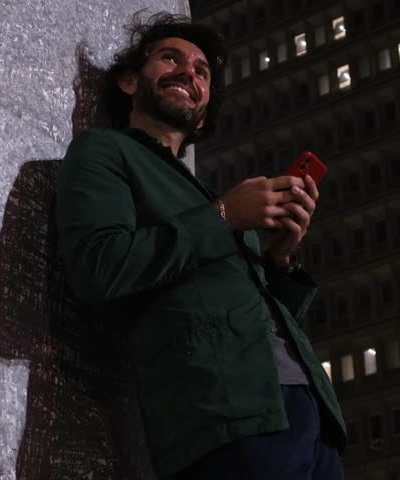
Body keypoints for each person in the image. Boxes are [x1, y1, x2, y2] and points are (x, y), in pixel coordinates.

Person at [55, 12, 346, 480]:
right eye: (171, 58)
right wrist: (226, 217)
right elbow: (99, 267)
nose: (189, 71)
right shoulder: (104, 152)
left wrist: (280, 255)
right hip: (223, 417)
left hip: (310, 415)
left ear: (205, 111)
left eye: (202, 71)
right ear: (130, 82)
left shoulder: (213, 197)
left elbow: (256, 316)